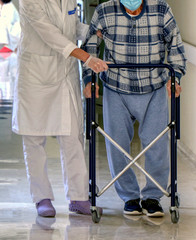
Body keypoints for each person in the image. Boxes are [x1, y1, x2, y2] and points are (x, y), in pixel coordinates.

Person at [82, 0, 186, 217]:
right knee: (117, 144)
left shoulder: (161, 9)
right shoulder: (104, 11)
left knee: (156, 143)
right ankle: (129, 197)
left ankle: (152, 197)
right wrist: (87, 80)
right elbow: (90, 46)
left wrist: (175, 76)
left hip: (153, 86)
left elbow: (175, 43)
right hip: (116, 86)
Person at [12, 0, 108, 218]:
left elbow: (71, 27)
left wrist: (93, 31)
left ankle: (78, 197)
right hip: (35, 74)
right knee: (34, 139)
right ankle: (41, 197)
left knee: (72, 135)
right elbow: (50, 34)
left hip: (64, 74)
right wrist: (87, 58)